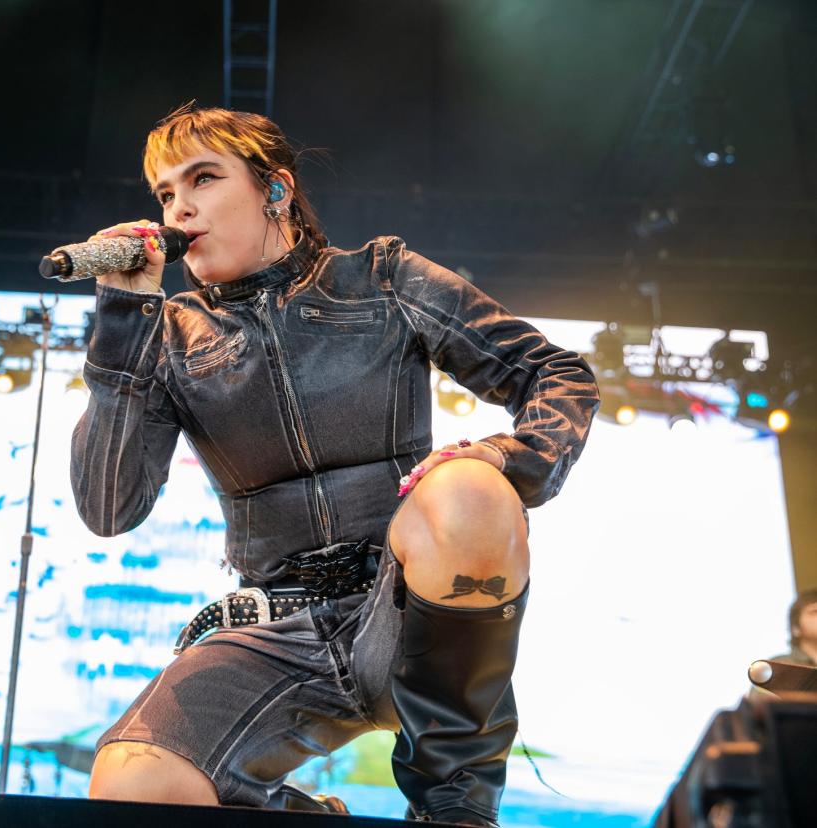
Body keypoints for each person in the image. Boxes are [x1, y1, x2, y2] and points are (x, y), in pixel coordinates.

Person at [69, 104, 599, 827]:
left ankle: (455, 803)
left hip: (411, 606)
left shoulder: (385, 278)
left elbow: (555, 373)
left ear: (275, 190)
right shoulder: (164, 338)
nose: (179, 206)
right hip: (277, 627)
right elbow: (107, 507)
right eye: (164, 193)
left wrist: (509, 458)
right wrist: (122, 322)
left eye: (202, 178)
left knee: (470, 489)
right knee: (133, 781)